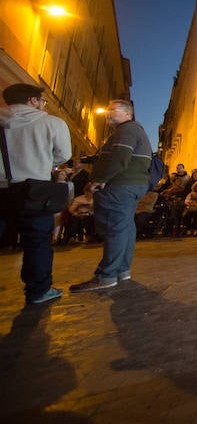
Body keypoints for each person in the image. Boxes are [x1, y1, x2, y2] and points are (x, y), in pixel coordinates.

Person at [70, 99, 152, 292]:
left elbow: (119, 158)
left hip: (120, 185)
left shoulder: (127, 130)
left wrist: (100, 179)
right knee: (124, 227)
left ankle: (106, 275)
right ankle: (121, 270)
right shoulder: (132, 130)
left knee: (115, 227)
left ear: (127, 114)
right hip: (130, 184)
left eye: (113, 110)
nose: (108, 114)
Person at [0, 83, 72, 304]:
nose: (43, 104)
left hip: (2, 187)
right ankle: (38, 290)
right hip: (35, 189)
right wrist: (41, 159)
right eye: (42, 100)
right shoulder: (51, 123)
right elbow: (63, 154)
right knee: (37, 241)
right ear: (32, 101)